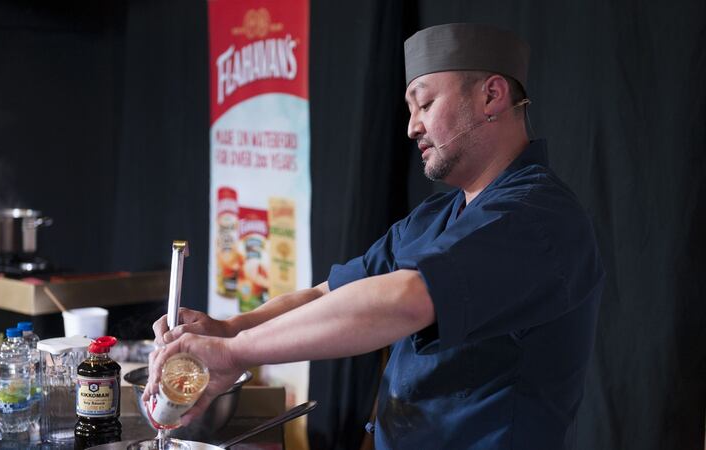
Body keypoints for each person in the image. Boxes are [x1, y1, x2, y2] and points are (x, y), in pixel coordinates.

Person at [145, 23, 604, 449]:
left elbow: (408, 298)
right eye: (410, 110)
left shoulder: (538, 216)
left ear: (491, 96)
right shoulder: (434, 217)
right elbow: (328, 293)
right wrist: (231, 328)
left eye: (425, 104)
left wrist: (234, 353)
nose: (412, 126)